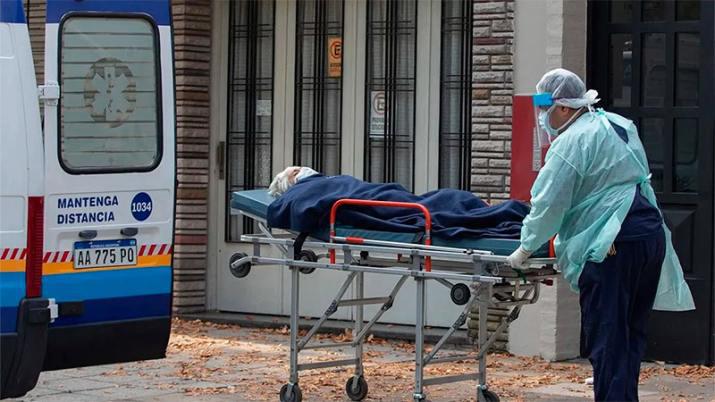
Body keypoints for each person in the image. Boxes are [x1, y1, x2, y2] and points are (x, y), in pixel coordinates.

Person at [506, 68, 695, 401]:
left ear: (563, 107)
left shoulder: (570, 143)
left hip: (612, 243)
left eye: (545, 107)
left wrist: (525, 247)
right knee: (630, 335)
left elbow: (549, 204)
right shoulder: (619, 125)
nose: (542, 117)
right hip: (647, 235)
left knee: (608, 337)